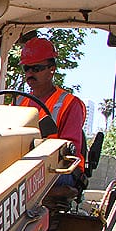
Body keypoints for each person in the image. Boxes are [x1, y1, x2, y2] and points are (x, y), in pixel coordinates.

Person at [16, 33, 88, 196]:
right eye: (27, 68)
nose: (30, 73)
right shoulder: (19, 102)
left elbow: (70, 151)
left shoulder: (69, 103)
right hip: (24, 166)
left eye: (37, 68)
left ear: (52, 70)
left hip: (60, 170)